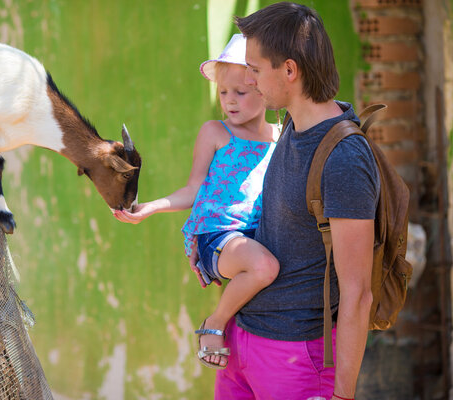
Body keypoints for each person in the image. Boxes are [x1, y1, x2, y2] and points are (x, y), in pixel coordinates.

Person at [208, 2, 380, 400]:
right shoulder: (289, 124)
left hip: (296, 358)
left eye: (254, 69)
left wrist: (342, 395)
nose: (249, 81)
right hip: (243, 341)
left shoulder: (344, 158)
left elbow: (358, 294)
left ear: (289, 70)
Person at [113, 34, 280, 370]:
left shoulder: (280, 136)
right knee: (264, 267)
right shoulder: (216, 133)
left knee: (270, 264)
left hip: (255, 235)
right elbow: (195, 188)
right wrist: (153, 207)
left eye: (240, 92)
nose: (229, 101)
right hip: (218, 236)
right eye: (223, 92)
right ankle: (213, 323)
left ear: (264, 90)